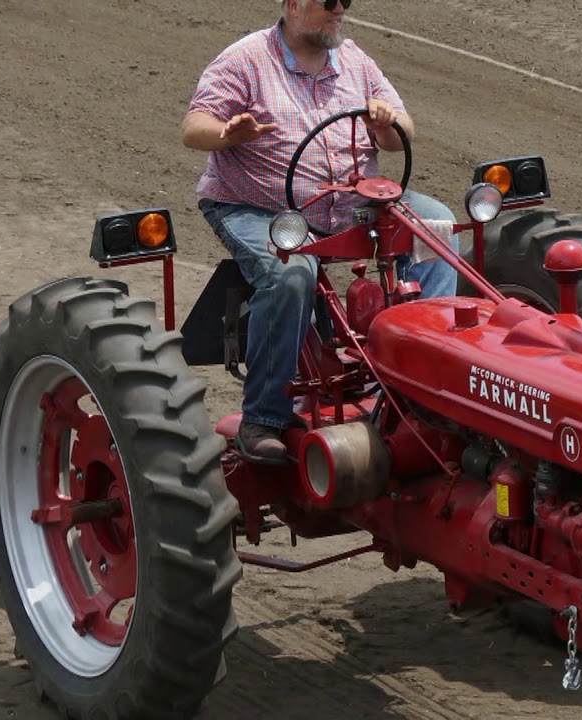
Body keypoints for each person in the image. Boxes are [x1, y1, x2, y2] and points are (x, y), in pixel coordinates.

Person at [181, 0, 459, 464]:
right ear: (293, 4)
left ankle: (418, 384)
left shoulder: (355, 61)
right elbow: (194, 128)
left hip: (348, 202)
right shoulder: (246, 59)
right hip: (260, 206)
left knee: (437, 227)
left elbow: (403, 131)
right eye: (329, 2)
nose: (339, 11)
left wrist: (386, 125)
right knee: (291, 273)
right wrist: (228, 132)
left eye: (345, 2)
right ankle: (263, 418)